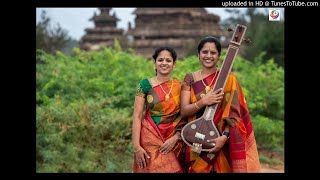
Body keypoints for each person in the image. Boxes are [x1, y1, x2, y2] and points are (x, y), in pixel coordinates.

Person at [180, 36, 261, 173]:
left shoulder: (229, 79)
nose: (208, 56)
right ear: (198, 55)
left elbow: (234, 115)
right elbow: (184, 111)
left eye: (213, 53)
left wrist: (224, 137)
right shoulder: (190, 78)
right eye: (205, 52)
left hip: (220, 142)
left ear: (219, 56)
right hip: (194, 140)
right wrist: (203, 101)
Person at [132, 46, 186, 173]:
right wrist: (137, 147)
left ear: (174, 64)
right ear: (154, 63)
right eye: (160, 60)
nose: (164, 63)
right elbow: (137, 116)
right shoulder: (145, 84)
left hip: (174, 141)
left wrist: (177, 137)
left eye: (168, 60)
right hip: (149, 139)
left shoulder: (181, 86)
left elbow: (185, 116)